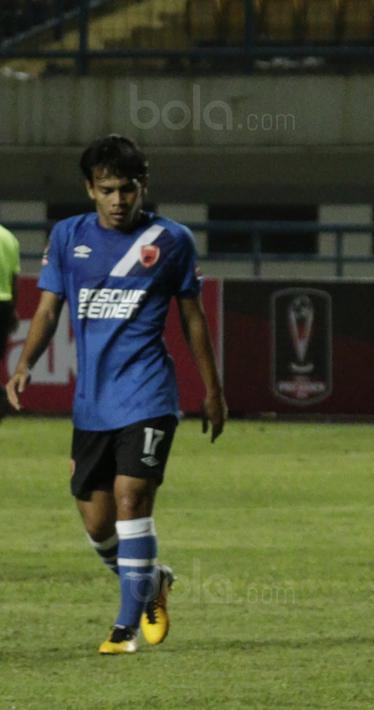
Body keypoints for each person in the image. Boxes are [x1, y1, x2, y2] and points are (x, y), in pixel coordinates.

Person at [4, 135, 227, 655]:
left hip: (148, 394)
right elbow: (47, 308)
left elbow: (192, 319)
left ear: (142, 186)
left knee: (132, 499)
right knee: (98, 522)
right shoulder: (67, 237)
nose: (119, 200)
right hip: (93, 403)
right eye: (107, 189)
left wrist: (213, 392)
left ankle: (124, 627)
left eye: (128, 189)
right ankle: (153, 580)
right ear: (90, 190)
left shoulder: (171, 240)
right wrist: (24, 363)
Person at [0, 222, 18, 422]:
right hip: (4, 306)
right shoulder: (8, 237)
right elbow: (14, 278)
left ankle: (2, 401)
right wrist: (13, 309)